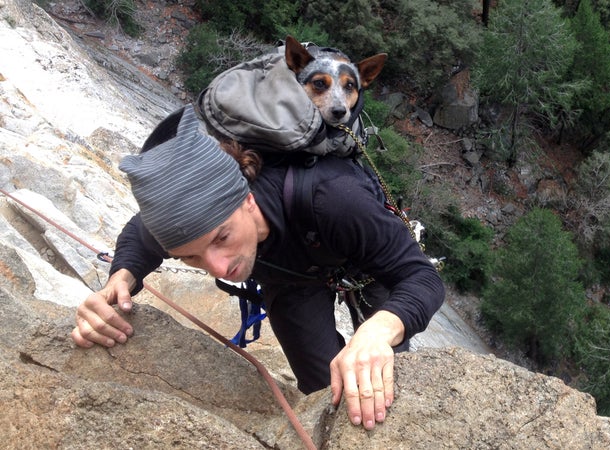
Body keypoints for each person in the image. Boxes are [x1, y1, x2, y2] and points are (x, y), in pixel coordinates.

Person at [71, 104, 445, 431]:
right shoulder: (193, 226)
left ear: (247, 199)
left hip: (364, 263)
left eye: (222, 238)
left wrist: (380, 330)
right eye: (191, 257)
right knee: (324, 387)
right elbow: (139, 235)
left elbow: (420, 278)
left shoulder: (334, 199)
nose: (218, 268)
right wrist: (119, 280)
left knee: (375, 377)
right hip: (289, 276)